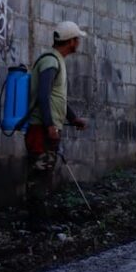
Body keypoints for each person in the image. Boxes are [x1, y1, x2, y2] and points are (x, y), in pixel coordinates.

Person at [25, 21, 89, 222]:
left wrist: (72, 118)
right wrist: (50, 125)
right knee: (40, 175)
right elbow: (43, 96)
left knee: (45, 174)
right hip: (41, 129)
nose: (79, 42)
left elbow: (56, 98)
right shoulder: (51, 61)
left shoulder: (57, 60)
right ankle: (36, 223)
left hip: (46, 128)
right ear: (70, 41)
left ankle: (41, 221)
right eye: (77, 39)